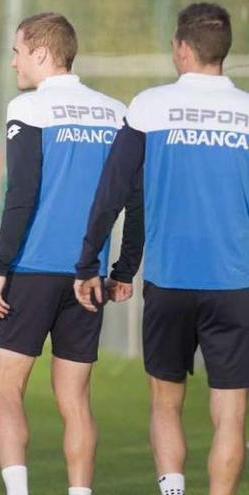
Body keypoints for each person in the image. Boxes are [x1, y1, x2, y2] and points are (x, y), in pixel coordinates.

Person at [74, 4, 248, 495]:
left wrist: (92, 263)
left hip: (170, 281)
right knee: (231, 412)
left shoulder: (150, 106)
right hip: (237, 283)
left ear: (183, 49)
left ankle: (172, 490)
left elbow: (114, 192)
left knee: (166, 402)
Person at [0, 13, 136, 495]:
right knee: (76, 401)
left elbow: (22, 194)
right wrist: (122, 267)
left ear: (42, 54)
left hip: (30, 269)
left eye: (17, 51)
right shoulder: (117, 112)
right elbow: (135, 199)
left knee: (6, 389)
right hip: (86, 276)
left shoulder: (28, 108)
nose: (12, 62)